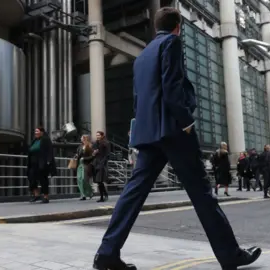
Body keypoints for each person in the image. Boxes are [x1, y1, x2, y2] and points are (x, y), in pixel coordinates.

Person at [92, 7, 261, 270]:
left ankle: (106, 253)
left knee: (133, 193)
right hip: (172, 130)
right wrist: (187, 123)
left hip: (149, 134)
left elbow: (138, 100)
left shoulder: (142, 56)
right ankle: (230, 254)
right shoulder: (171, 42)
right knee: (203, 194)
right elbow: (172, 87)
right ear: (177, 27)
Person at [27, 127, 56, 204]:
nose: (35, 133)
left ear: (42, 132)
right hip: (33, 163)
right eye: (35, 131)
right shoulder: (35, 140)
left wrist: (49, 161)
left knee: (43, 179)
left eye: (37, 131)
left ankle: (46, 197)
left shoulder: (45, 139)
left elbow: (50, 150)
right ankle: (36, 194)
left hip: (42, 163)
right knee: (31, 177)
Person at [93, 131, 110, 202]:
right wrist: (94, 153)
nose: (97, 136)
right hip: (96, 163)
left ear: (102, 135)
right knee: (98, 181)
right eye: (97, 135)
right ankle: (105, 194)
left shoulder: (106, 143)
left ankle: (102, 197)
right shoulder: (95, 143)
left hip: (102, 163)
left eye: (99, 135)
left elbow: (107, 155)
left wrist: (102, 163)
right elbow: (93, 153)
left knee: (100, 180)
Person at [76, 135, 94, 200]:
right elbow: (78, 155)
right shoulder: (80, 146)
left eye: (82, 138)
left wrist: (84, 158)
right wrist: (77, 156)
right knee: (79, 179)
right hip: (79, 164)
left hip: (86, 164)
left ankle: (90, 191)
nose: (81, 139)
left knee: (84, 179)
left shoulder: (90, 146)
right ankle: (82, 194)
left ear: (85, 139)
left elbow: (92, 156)